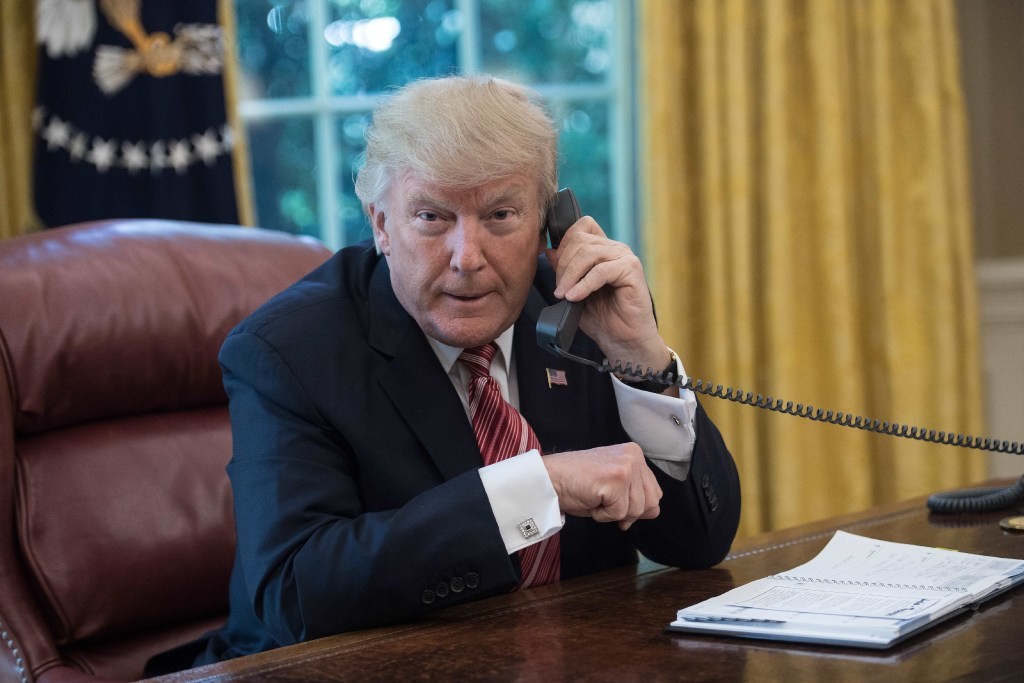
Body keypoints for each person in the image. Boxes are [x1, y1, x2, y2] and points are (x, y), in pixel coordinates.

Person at [172, 74, 740, 669]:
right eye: (432, 218)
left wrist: (640, 360)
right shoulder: (289, 351)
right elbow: (294, 594)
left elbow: (698, 544)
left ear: (550, 223)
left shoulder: (581, 310)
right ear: (382, 226)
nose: (467, 258)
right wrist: (534, 485)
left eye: (500, 215)